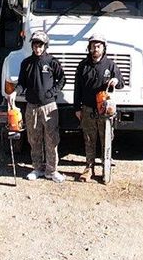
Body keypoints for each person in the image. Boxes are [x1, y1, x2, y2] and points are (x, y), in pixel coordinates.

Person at [17, 30, 66, 182]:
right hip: (31, 107)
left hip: (49, 107)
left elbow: (62, 79)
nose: (37, 48)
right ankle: (37, 168)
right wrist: (14, 92)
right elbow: (21, 83)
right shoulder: (26, 63)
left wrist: (52, 93)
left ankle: (52, 170)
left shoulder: (52, 62)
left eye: (40, 45)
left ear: (45, 46)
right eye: (35, 45)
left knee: (52, 139)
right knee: (34, 139)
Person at [74, 33, 123, 182]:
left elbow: (121, 83)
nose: (95, 49)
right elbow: (77, 89)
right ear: (89, 48)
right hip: (88, 109)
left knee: (106, 139)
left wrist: (115, 80)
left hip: (105, 110)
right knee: (89, 139)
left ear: (103, 48)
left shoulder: (111, 65)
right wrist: (77, 108)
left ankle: (106, 168)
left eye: (98, 46)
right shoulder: (83, 66)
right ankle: (89, 168)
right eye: (93, 46)